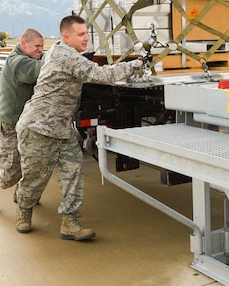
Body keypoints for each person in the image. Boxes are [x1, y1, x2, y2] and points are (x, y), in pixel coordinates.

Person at [14, 15, 146, 241]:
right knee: (35, 178)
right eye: (81, 34)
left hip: (61, 129)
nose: (87, 38)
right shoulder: (67, 57)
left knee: (73, 170)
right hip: (39, 127)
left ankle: (69, 222)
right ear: (66, 37)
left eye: (87, 33)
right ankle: (24, 212)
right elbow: (102, 75)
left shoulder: (61, 51)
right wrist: (137, 64)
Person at [0, 28, 45, 208]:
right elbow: (36, 71)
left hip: (28, 123)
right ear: (23, 44)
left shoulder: (31, 57)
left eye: (42, 46)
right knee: (12, 171)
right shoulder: (17, 61)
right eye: (37, 46)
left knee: (33, 164)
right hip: (12, 123)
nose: (40, 50)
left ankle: (23, 195)